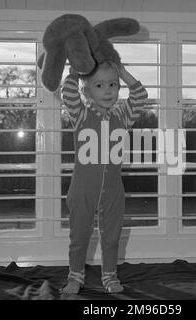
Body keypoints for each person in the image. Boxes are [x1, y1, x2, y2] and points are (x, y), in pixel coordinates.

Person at [60, 61, 148, 293]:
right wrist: (75, 74)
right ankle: (75, 276)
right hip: (82, 189)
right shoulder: (81, 116)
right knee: (79, 236)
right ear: (87, 91)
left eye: (112, 84)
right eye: (99, 85)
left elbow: (140, 95)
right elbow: (68, 93)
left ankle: (110, 276)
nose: (108, 90)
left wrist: (123, 73)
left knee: (111, 237)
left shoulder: (123, 117)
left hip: (113, 190)